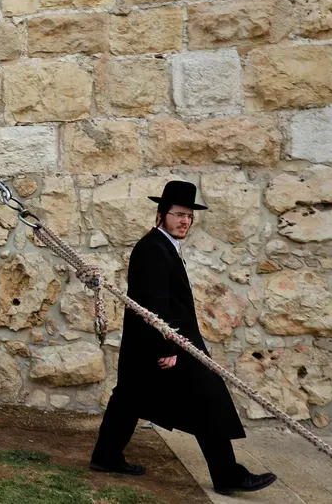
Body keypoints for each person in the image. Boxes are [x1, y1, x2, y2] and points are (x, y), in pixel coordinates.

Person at [90, 180, 277, 495]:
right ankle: (228, 475)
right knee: (209, 399)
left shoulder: (161, 246)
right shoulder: (153, 248)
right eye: (178, 214)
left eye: (189, 216)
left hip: (158, 344)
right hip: (169, 344)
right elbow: (155, 302)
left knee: (129, 398)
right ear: (161, 214)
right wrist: (169, 345)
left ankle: (106, 456)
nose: (185, 221)